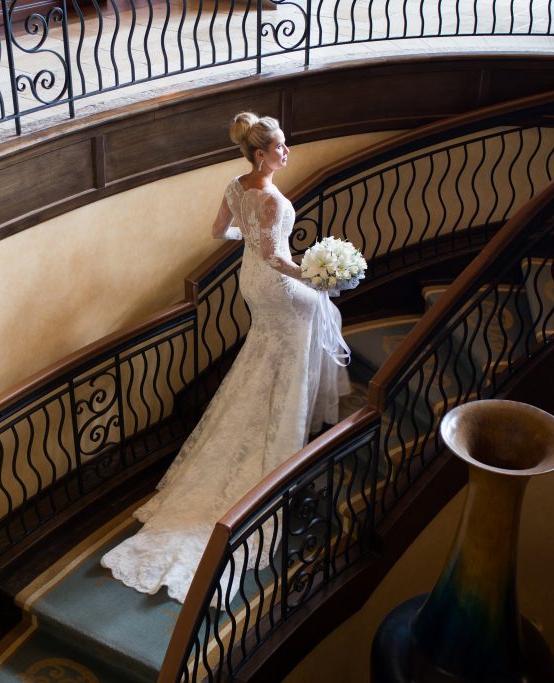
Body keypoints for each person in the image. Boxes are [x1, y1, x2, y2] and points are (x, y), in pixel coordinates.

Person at [100, 112, 351, 604]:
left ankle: (271, 417)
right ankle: (282, 436)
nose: (287, 153)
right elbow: (278, 258)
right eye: (280, 147)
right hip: (279, 284)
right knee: (303, 328)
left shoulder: (236, 186)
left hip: (252, 286)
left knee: (265, 353)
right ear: (261, 154)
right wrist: (317, 277)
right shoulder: (274, 200)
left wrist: (256, 248)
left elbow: (221, 232)